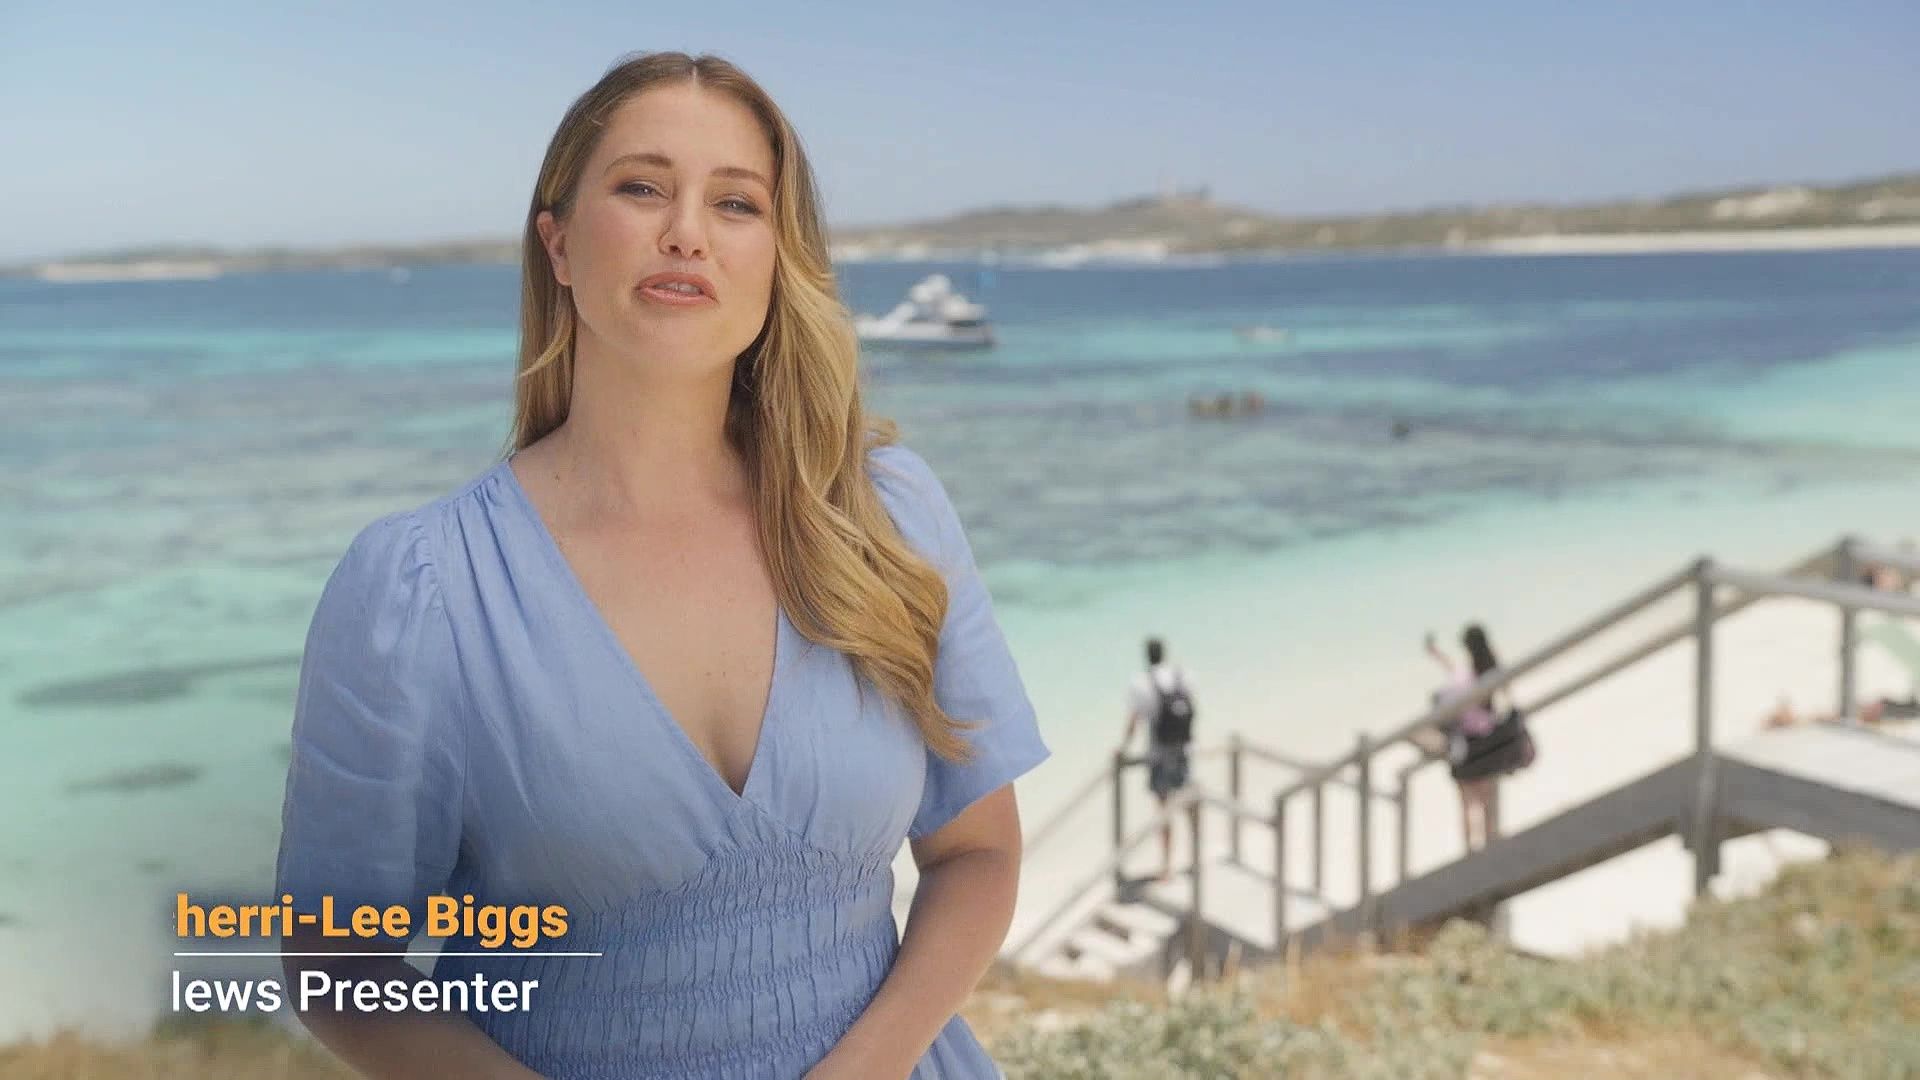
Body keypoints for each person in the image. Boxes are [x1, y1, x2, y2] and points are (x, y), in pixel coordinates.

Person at [274, 52, 1049, 1080]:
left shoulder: (884, 515)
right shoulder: (418, 589)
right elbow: (336, 966)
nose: (687, 231)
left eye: (736, 203)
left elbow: (977, 852)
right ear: (557, 243)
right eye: (642, 188)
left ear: (778, 260)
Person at [1422, 624, 1514, 853]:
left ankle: (1469, 851)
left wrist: (1435, 653)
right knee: (1488, 800)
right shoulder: (1492, 670)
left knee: (1466, 802)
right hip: (1490, 739)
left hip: (1466, 743)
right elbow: (1506, 697)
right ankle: (1492, 843)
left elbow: (1453, 672)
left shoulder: (1467, 674)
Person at [1121, 638, 1196, 881]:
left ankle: (1167, 866)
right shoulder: (1181, 675)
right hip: (1184, 750)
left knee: (1164, 811)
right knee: (1189, 804)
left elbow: (1134, 721)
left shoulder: (1142, 683)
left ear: (1147, 656)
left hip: (1159, 755)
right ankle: (1195, 856)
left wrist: (1123, 749)